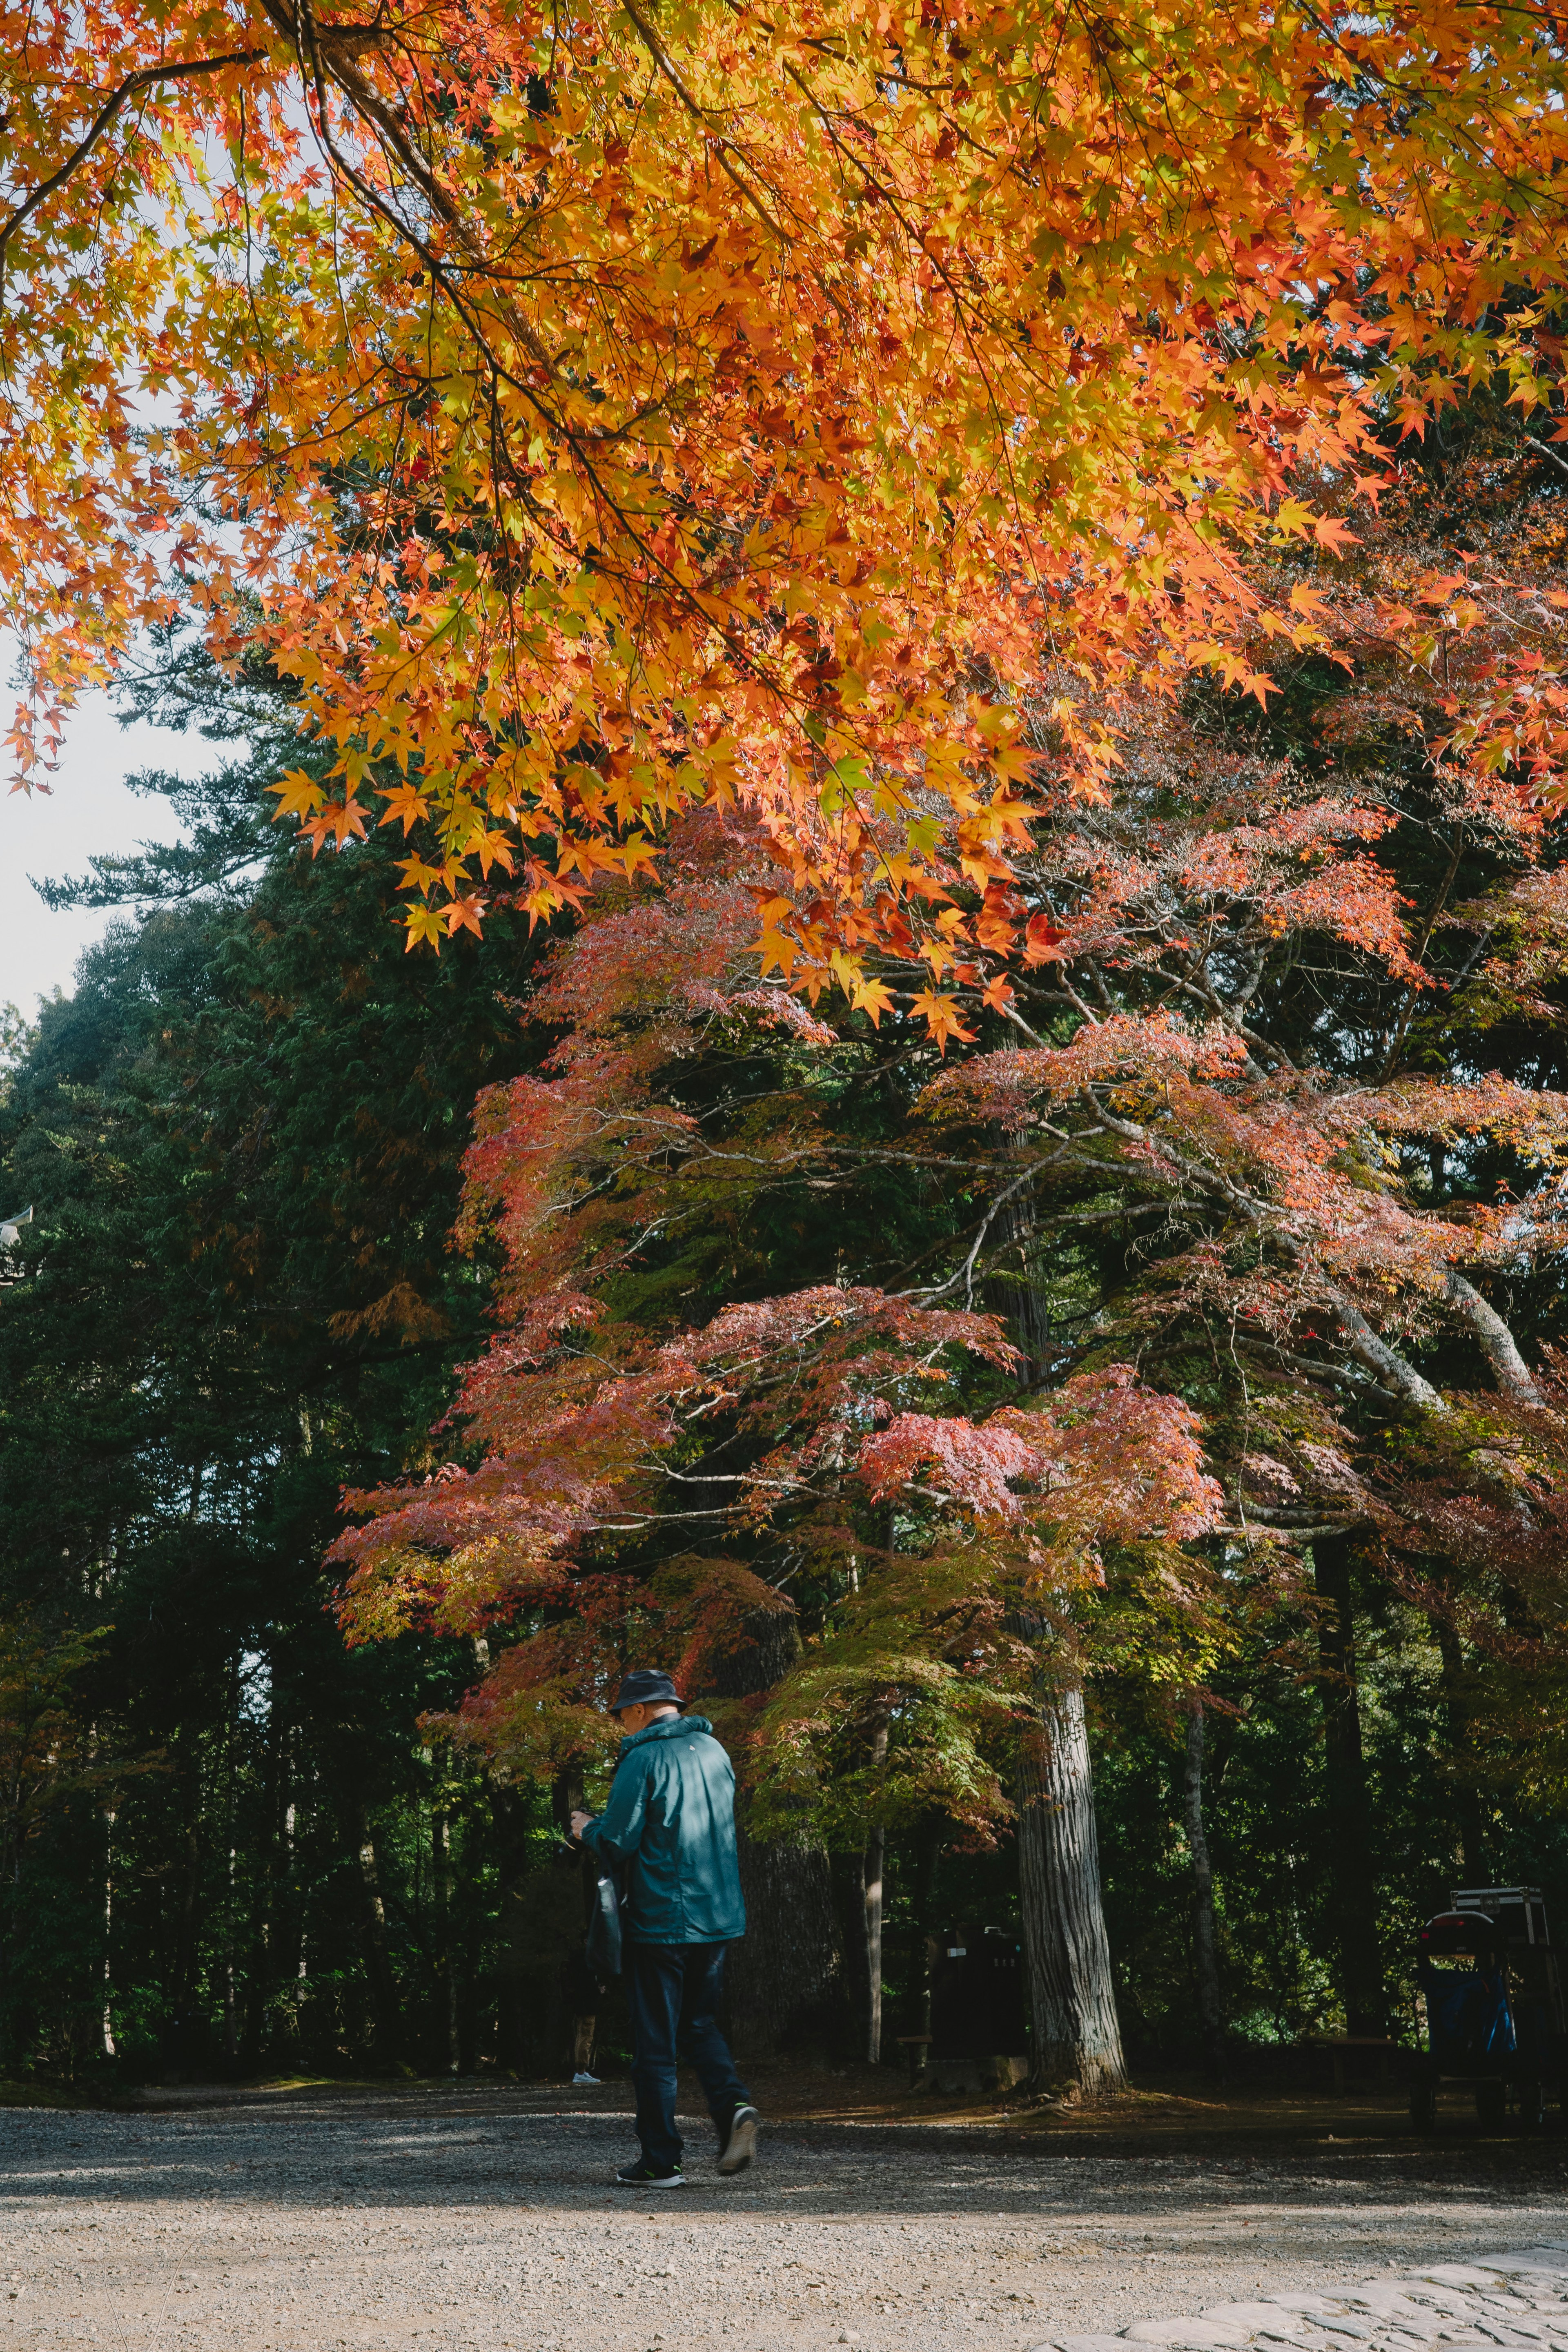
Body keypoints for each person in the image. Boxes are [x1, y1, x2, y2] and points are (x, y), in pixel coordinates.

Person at [571, 1668, 760, 2187]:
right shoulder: (715, 1752)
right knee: (698, 2025)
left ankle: (661, 2162)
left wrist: (588, 1829)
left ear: (638, 1711)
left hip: (661, 1921)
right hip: (718, 1917)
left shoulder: (643, 1757)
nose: (621, 1729)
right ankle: (734, 2107)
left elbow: (620, 1841)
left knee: (655, 2042)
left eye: (621, 1717)